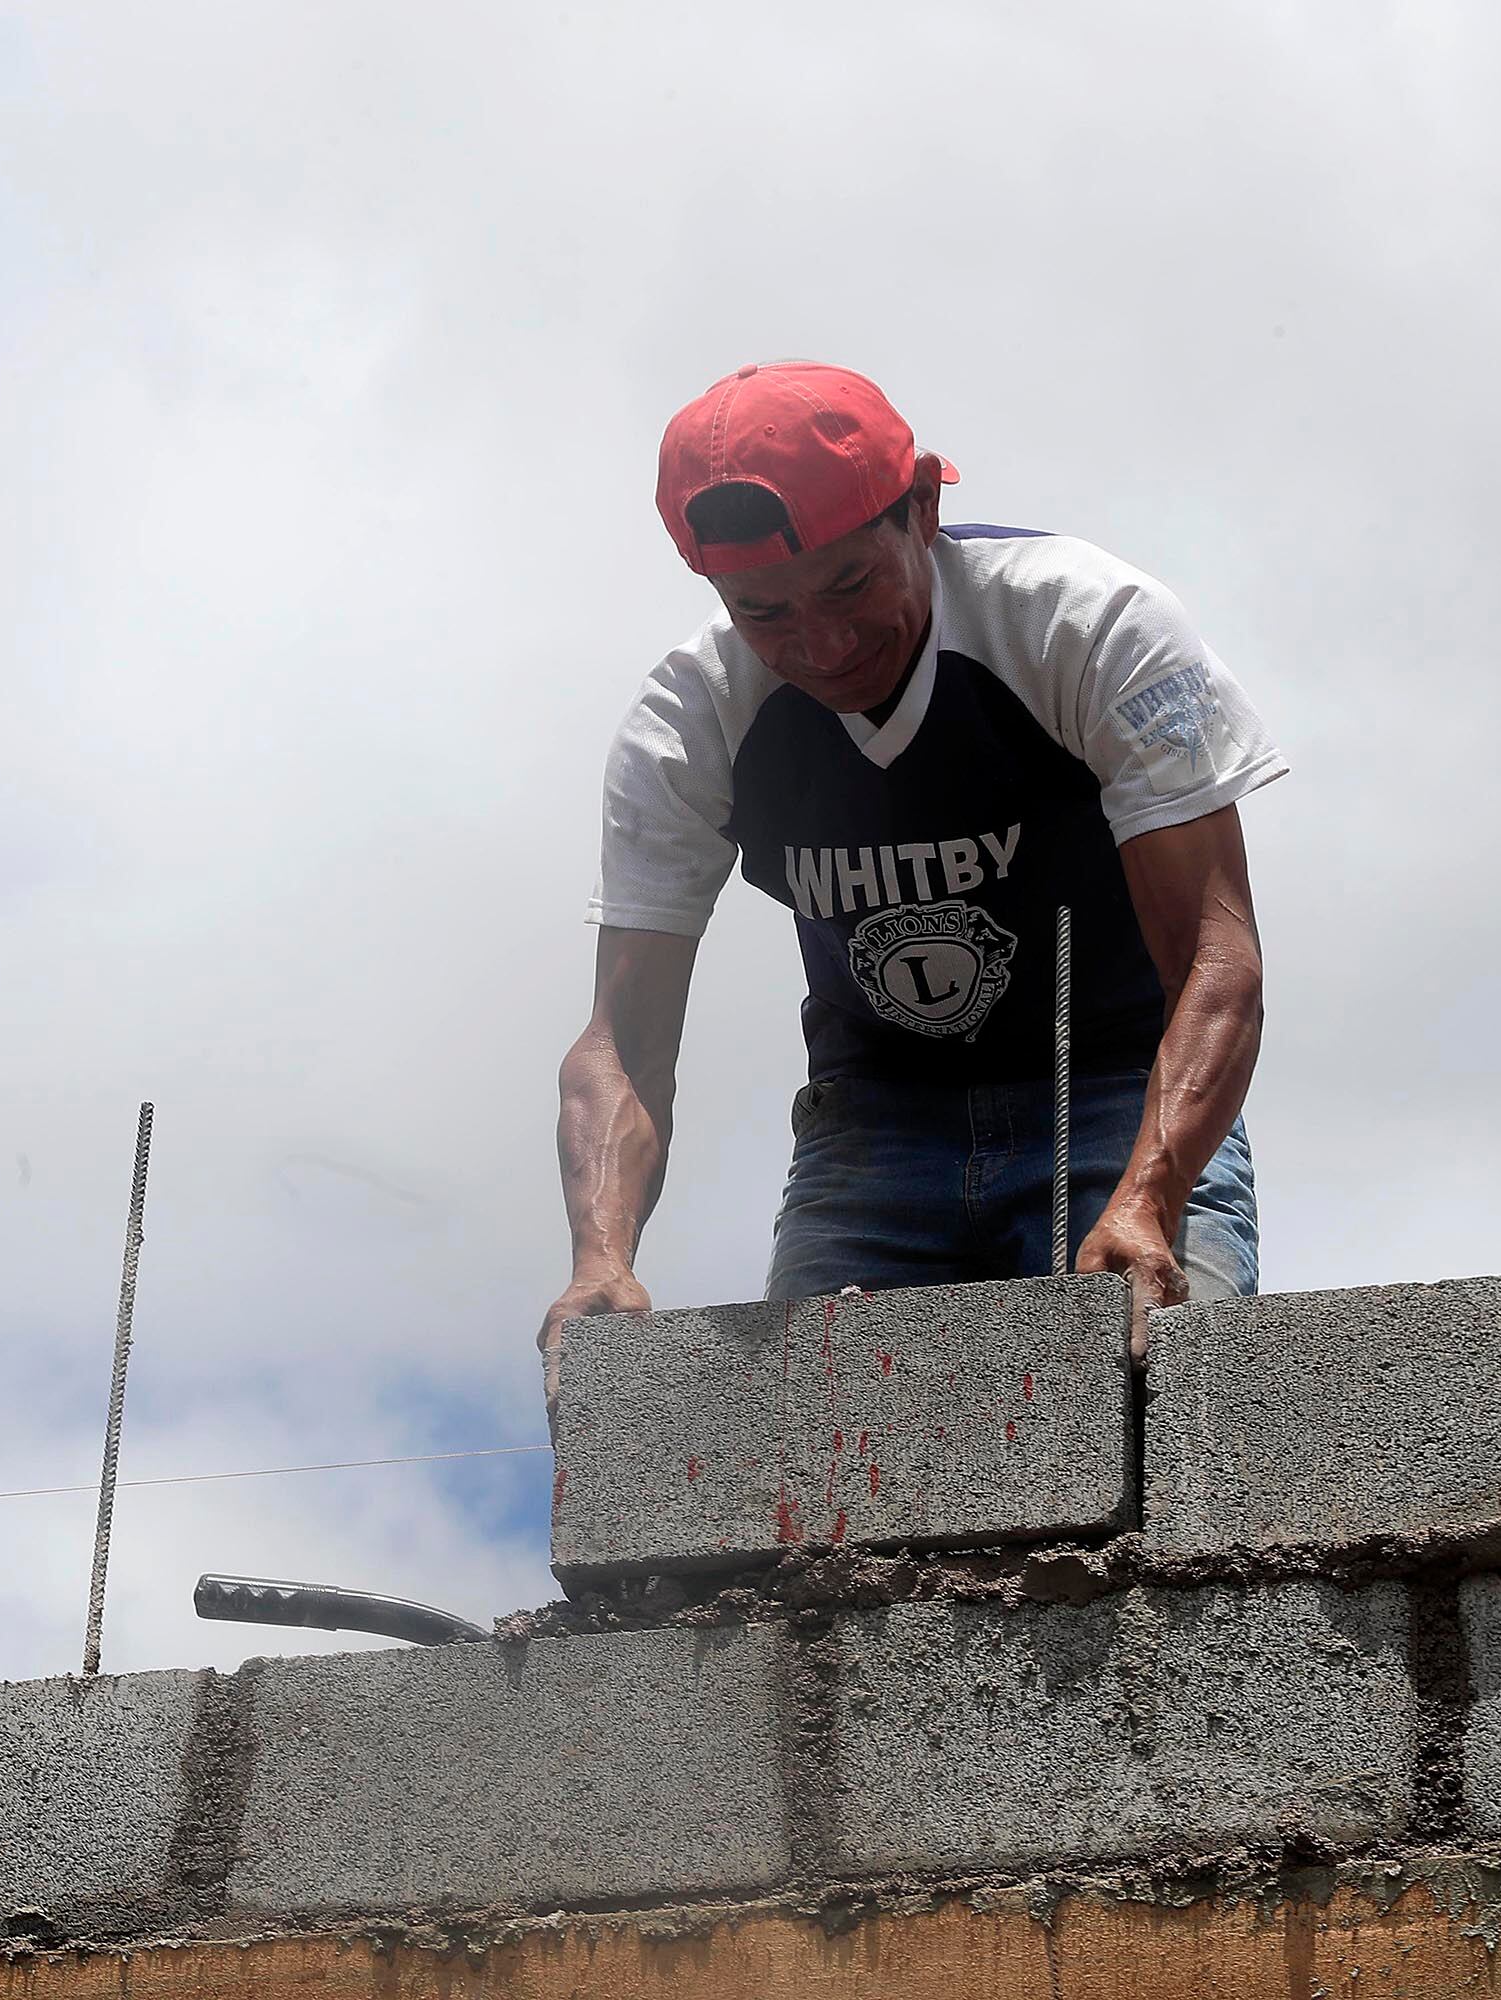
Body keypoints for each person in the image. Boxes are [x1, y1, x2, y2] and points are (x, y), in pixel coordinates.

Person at [544, 363, 1285, 1392]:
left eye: (850, 584)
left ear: (924, 510)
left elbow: (1218, 959)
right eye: (766, 612)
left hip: (1117, 1094)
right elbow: (622, 1044)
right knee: (810, 1486)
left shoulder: (1087, 627)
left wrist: (1151, 1194)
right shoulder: (689, 725)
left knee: (1169, 1424)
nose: (824, 642)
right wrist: (603, 1258)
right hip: (874, 1126)